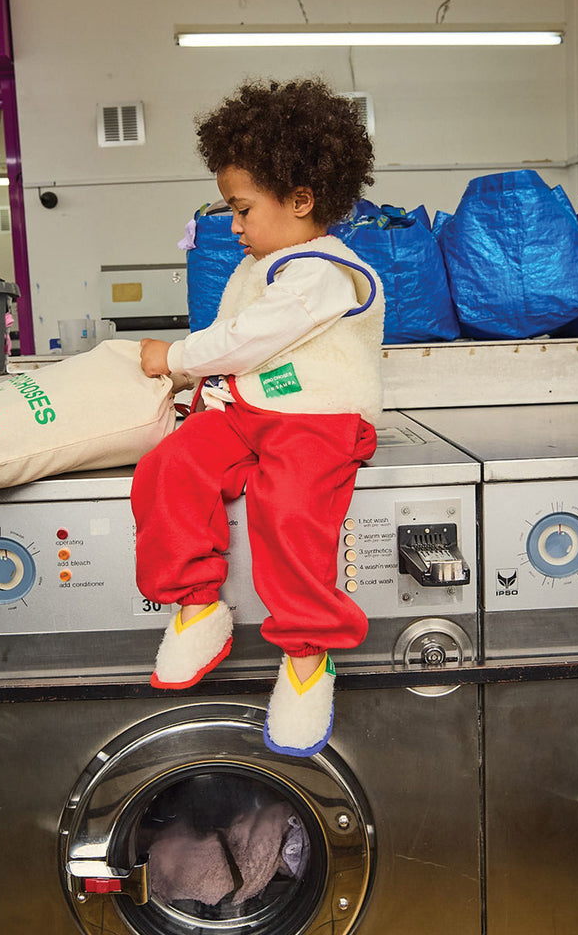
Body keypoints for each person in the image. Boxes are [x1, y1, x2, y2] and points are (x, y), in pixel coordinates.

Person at [130, 77, 385, 757]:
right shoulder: (265, 263)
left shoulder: (324, 270)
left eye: (242, 210)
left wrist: (174, 358)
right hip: (248, 414)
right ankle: (197, 602)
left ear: (302, 200)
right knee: (169, 468)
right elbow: (241, 358)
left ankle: (306, 656)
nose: (234, 226)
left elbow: (248, 342)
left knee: (291, 508)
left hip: (319, 422)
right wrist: (204, 397)